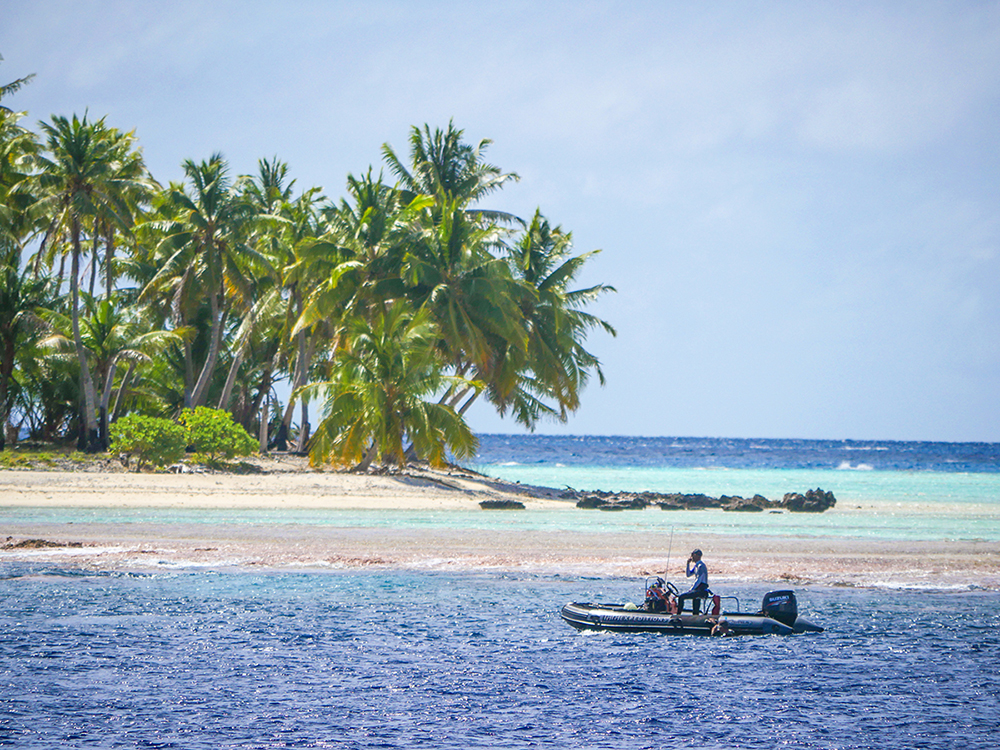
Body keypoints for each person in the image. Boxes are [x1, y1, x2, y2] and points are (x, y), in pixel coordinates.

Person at [675, 548, 710, 614]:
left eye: (693, 555)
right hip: (698, 589)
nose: (691, 557)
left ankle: (678, 614)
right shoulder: (696, 566)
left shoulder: (701, 566)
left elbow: (699, 580)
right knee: (695, 602)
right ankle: (695, 615)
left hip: (701, 589)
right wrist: (688, 564)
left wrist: (691, 589)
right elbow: (688, 575)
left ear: (697, 556)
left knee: (681, 597)